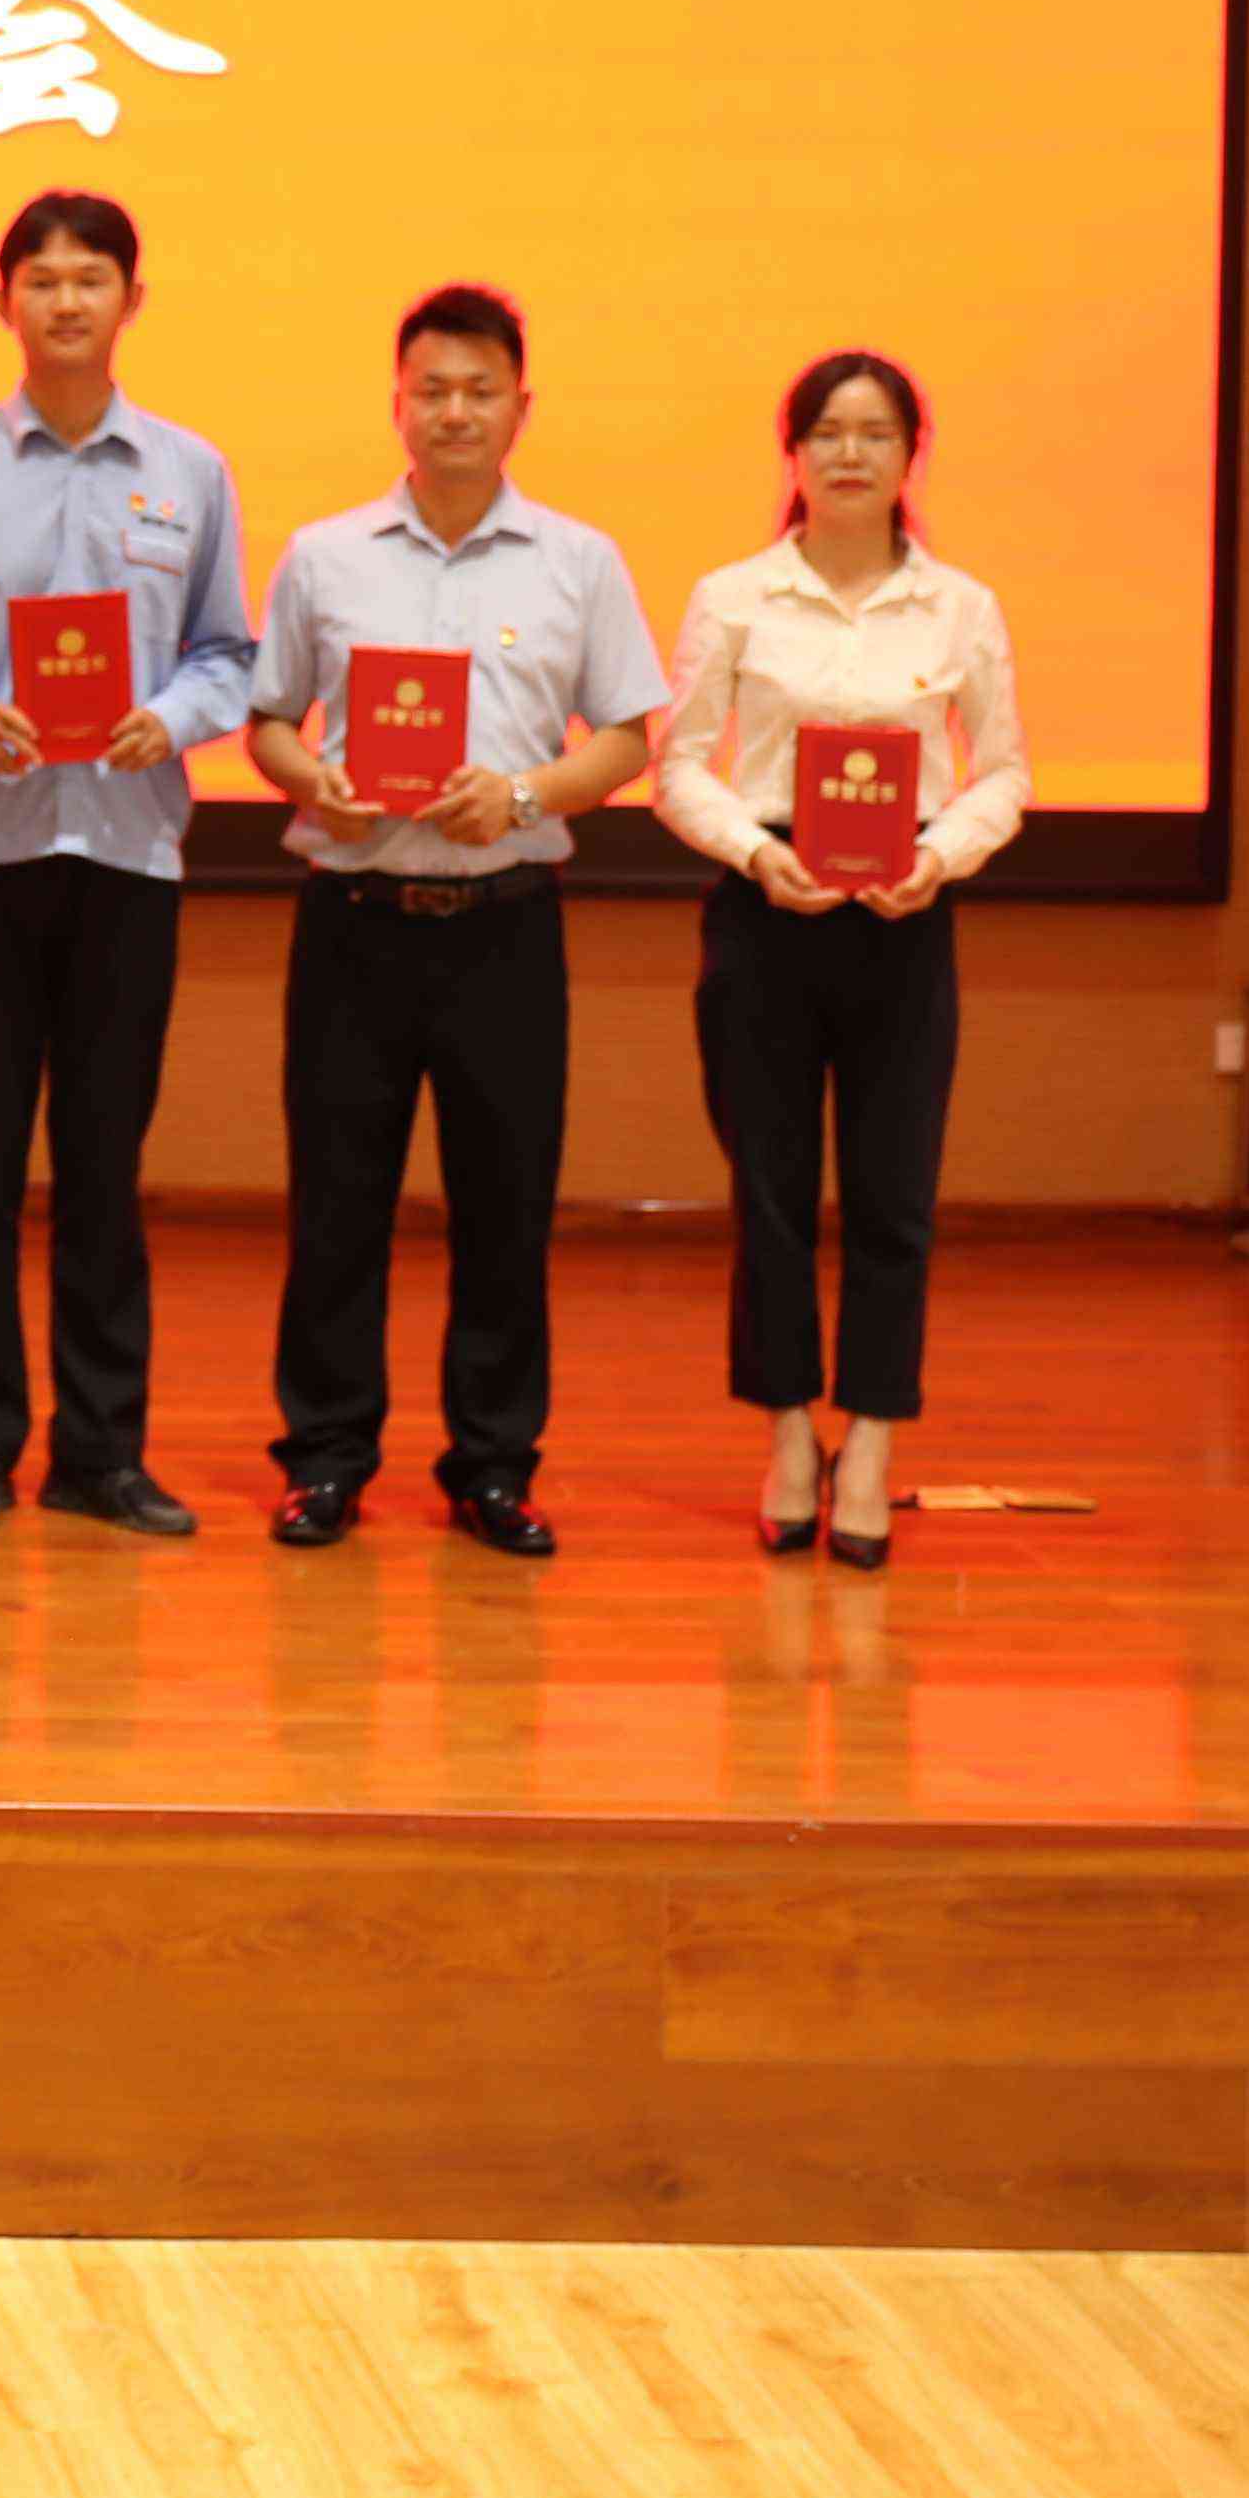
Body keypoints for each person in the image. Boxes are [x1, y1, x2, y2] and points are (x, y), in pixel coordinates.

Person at [243, 282, 669, 1559]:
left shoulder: (580, 561)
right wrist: (312, 780)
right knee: (337, 1208)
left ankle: (493, 1467)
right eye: (432, 389)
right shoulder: (326, 554)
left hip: (504, 928)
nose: (456, 412)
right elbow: (271, 721)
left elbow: (630, 739)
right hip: (355, 921)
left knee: (505, 1210)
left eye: (481, 391)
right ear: (398, 404)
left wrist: (524, 794)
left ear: (521, 408)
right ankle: (326, 1460)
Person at [0, 191, 256, 1541]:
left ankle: (102, 1452)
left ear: (132, 301)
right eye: (42, 279)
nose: (67, 301)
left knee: (103, 1169)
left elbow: (229, 654)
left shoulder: (191, 472)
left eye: (92, 279)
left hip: (129, 853)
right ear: (4, 303)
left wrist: (176, 718)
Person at [652, 349, 1030, 1570]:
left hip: (902, 920)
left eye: (875, 433)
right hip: (767, 913)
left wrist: (942, 854)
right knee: (769, 1195)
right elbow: (680, 766)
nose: (850, 454)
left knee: (892, 1195)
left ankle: (869, 1437)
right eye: (826, 431)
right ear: (794, 452)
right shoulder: (735, 597)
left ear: (912, 454)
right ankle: (785, 1436)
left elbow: (1004, 773)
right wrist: (757, 856)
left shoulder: (960, 608)